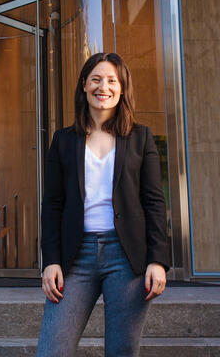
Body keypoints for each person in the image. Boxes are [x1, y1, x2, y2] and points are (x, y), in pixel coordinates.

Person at [37, 52, 170, 356]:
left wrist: (157, 261)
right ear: (84, 84)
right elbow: (52, 204)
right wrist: (51, 260)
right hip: (75, 257)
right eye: (96, 79)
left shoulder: (141, 138)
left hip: (126, 256)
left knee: (122, 351)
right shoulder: (63, 140)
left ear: (122, 88)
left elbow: (154, 202)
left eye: (112, 80)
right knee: (52, 350)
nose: (103, 87)